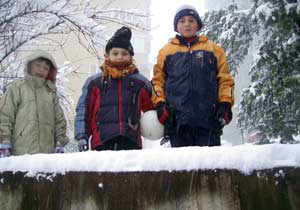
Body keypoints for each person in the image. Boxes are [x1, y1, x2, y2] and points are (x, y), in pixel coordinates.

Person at [151, 5, 235, 147]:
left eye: (191, 20)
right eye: (182, 21)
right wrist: (160, 104)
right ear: (176, 26)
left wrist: (225, 104)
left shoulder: (213, 49)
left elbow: (225, 79)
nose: (187, 24)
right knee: (181, 166)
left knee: (210, 166)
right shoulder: (166, 52)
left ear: (198, 25)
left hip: (208, 120)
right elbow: (157, 81)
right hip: (177, 121)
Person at [75, 26, 154, 151]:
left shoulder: (140, 82)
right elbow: (84, 110)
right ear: (107, 55)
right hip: (102, 141)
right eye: (115, 53)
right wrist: (82, 136)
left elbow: (153, 107)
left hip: (130, 141)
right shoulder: (95, 82)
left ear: (131, 56)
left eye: (124, 53)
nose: (120, 57)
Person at [0, 50, 68, 157]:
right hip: (20, 153)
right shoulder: (17, 88)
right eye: (38, 65)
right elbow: (4, 117)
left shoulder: (51, 92)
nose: (41, 70)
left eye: (46, 68)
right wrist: (4, 143)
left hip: (47, 155)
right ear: (30, 66)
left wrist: (60, 143)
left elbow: (59, 121)